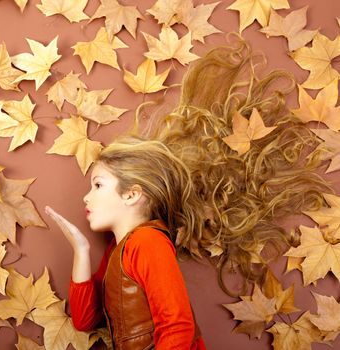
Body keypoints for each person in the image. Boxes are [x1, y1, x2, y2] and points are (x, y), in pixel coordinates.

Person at [44, 33, 331, 348]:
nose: (87, 196)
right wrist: (81, 249)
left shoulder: (147, 243)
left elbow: (178, 329)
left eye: (98, 185)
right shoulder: (120, 249)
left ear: (131, 194)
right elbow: (85, 320)